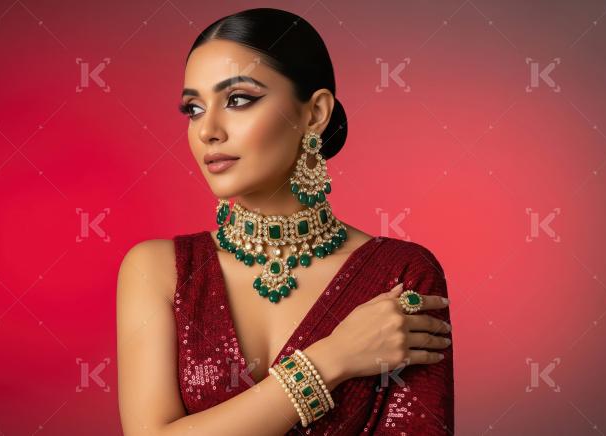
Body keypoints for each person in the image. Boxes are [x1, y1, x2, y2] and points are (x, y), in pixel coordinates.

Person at [117, 7, 454, 435]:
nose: (208, 131)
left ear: (314, 113)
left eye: (238, 99)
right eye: (194, 108)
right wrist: (331, 360)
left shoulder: (401, 275)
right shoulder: (158, 270)